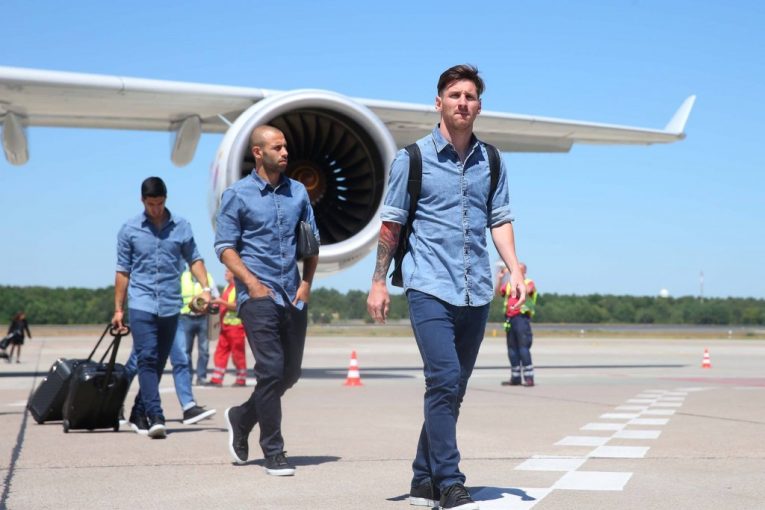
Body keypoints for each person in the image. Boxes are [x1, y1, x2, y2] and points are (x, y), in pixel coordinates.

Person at [366, 64, 526, 510]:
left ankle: (423, 478)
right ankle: (450, 481)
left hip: (476, 290)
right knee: (443, 379)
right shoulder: (411, 159)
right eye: (454, 95)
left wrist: (514, 269)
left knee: (453, 388)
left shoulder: (491, 160)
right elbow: (392, 222)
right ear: (439, 102)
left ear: (479, 106)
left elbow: (500, 219)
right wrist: (378, 282)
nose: (462, 103)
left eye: (470, 96)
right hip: (428, 285)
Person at [215, 125, 319, 476]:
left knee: (289, 373)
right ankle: (274, 451)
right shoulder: (237, 195)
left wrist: (306, 283)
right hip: (257, 296)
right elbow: (224, 247)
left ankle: (242, 417)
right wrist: (252, 284)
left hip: (293, 294)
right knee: (271, 370)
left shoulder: (298, 192)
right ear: (258, 152)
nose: (285, 152)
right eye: (277, 147)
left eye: (285, 146)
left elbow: (312, 244)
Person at [112, 176, 213, 440]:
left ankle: (138, 413)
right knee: (146, 357)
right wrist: (119, 309)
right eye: (150, 204)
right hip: (141, 302)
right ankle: (156, 416)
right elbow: (122, 272)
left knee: (157, 362)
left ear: (165, 199)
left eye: (159, 203)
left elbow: (194, 258)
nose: (155, 209)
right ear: (142, 201)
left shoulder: (181, 226)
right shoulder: (129, 230)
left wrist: (206, 288)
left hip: (170, 304)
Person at [122, 269, 218, 431]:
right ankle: (116, 404)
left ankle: (188, 407)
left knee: (181, 359)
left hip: (175, 316)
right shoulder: (161, 269)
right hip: (149, 314)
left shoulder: (181, 268)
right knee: (135, 363)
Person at [496, 262, 537, 387]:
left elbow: (528, 291)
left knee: (523, 348)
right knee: (512, 349)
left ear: (524, 271)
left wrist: (518, 281)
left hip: (521, 318)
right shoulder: (509, 284)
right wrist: (500, 279)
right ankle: (515, 377)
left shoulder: (529, 283)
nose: (514, 272)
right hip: (510, 319)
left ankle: (529, 378)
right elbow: (498, 293)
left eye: (518, 270)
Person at [180, 268, 219, 385]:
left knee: (204, 350)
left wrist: (206, 304)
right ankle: (188, 377)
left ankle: (201, 377)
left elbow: (216, 296)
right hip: (186, 317)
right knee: (186, 350)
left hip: (203, 318)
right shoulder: (183, 277)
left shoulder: (208, 277)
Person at [209, 269, 248, 387]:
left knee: (238, 354)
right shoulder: (227, 287)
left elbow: (237, 306)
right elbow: (224, 306)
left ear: (234, 273)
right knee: (220, 353)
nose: (225, 273)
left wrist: (221, 302)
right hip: (225, 326)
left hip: (236, 327)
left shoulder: (238, 288)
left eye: (228, 271)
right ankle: (217, 379)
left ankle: (241, 379)